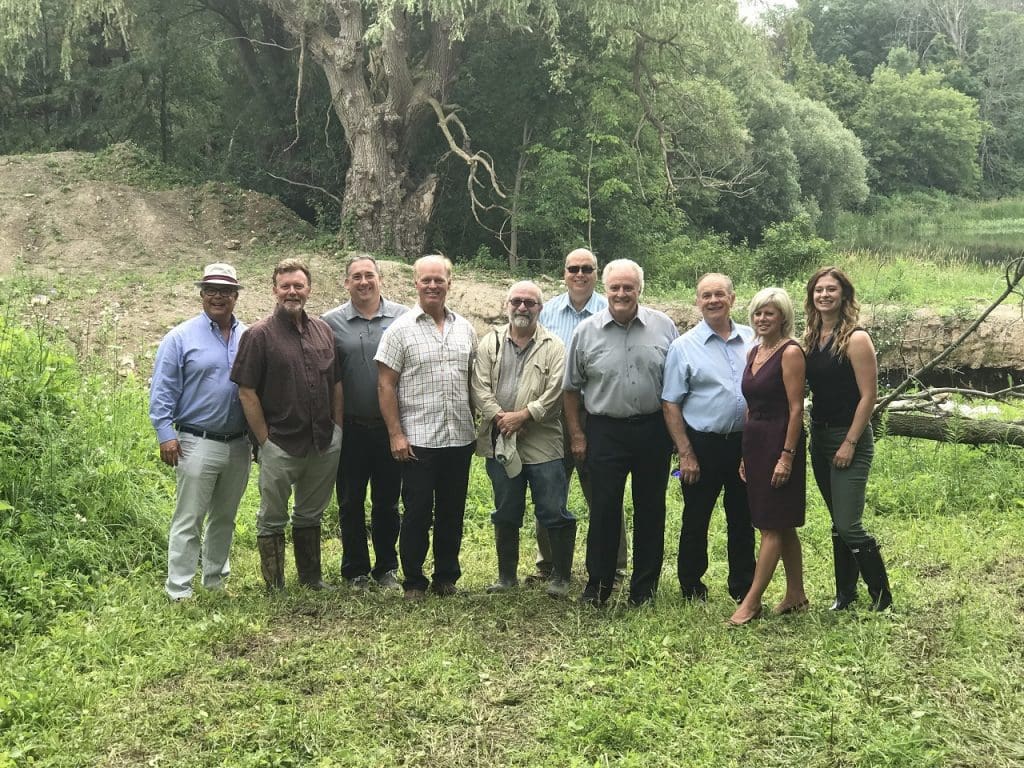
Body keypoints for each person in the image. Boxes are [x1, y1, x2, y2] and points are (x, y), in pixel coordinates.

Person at [563, 259, 678, 606]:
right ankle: (598, 585)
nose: (622, 293)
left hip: (652, 429)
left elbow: (675, 385)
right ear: (605, 289)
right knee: (603, 509)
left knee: (650, 509)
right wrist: (578, 436)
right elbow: (570, 389)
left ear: (639, 289)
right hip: (604, 430)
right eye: (615, 287)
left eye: (629, 287)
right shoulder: (586, 332)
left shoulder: (665, 327)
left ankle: (644, 589)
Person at [231, 258, 344, 591]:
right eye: (285, 286)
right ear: (275, 290)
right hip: (280, 442)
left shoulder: (323, 330)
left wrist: (337, 429)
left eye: (299, 285)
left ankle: (311, 579)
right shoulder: (258, 335)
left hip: (322, 442)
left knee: (310, 513)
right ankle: (275, 584)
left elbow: (336, 382)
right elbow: (246, 391)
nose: (292, 292)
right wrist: (264, 440)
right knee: (272, 516)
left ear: (308, 289)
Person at [375, 255, 477, 601]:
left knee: (452, 511)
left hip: (459, 437)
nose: (433, 285)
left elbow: (473, 381)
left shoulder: (465, 329)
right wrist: (395, 434)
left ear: (450, 282)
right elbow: (385, 385)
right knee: (417, 512)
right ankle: (415, 581)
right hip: (418, 440)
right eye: (426, 280)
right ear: (415, 283)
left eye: (439, 279)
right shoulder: (399, 330)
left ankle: (446, 577)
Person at [149, 263, 250, 601]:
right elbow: (162, 390)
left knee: (225, 517)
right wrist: (165, 433)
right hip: (196, 441)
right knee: (189, 517)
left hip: (239, 443)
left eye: (225, 290)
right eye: (211, 290)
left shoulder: (248, 336)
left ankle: (215, 581)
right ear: (202, 294)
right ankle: (179, 588)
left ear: (236, 296)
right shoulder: (180, 337)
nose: (218, 296)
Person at [471, 281, 577, 598]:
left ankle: (560, 576)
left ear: (540, 309)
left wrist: (524, 416)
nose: (522, 307)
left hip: (544, 443)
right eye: (516, 301)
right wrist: (504, 419)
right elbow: (479, 387)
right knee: (505, 509)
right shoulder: (489, 343)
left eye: (530, 303)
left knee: (553, 509)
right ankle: (506, 578)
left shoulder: (555, 346)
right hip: (501, 441)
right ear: (507, 305)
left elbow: (556, 392)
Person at [662, 273, 756, 603]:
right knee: (696, 517)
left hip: (745, 443)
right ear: (697, 302)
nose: (713, 300)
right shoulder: (683, 347)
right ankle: (691, 585)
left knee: (743, 517)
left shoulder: (754, 339)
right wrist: (685, 453)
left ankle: (743, 585)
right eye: (706, 295)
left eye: (719, 294)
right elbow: (671, 403)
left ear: (732, 298)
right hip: (702, 444)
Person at [537, 248, 628, 583]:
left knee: (604, 492)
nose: (579, 274)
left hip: (596, 416)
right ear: (564, 272)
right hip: (550, 417)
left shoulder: (612, 309)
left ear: (596, 272)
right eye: (573, 268)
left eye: (586, 269)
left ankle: (614, 565)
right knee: (549, 488)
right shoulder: (546, 312)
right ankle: (548, 563)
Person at [804, 266, 893, 611]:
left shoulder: (856, 338)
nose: (824, 295)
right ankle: (845, 595)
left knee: (849, 524)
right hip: (820, 437)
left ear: (844, 295)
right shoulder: (813, 337)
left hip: (848, 437)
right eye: (818, 290)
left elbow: (868, 397)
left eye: (831, 289)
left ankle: (882, 598)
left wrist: (851, 442)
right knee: (837, 522)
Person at [322, 254, 408, 590]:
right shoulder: (330, 323)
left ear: (379, 279)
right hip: (350, 428)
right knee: (350, 501)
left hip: (391, 428)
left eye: (369, 275)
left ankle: (386, 568)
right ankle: (355, 570)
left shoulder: (403, 317)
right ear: (346, 282)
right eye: (356, 276)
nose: (363, 282)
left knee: (387, 501)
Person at [729, 288, 808, 626]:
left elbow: (795, 409)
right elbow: (751, 406)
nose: (762, 319)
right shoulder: (754, 351)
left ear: (783, 318)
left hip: (780, 441)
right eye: (758, 313)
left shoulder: (790, 353)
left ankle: (752, 601)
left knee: (770, 525)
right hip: (756, 443)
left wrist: (787, 456)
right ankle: (796, 594)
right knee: (782, 522)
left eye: (770, 314)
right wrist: (746, 454)